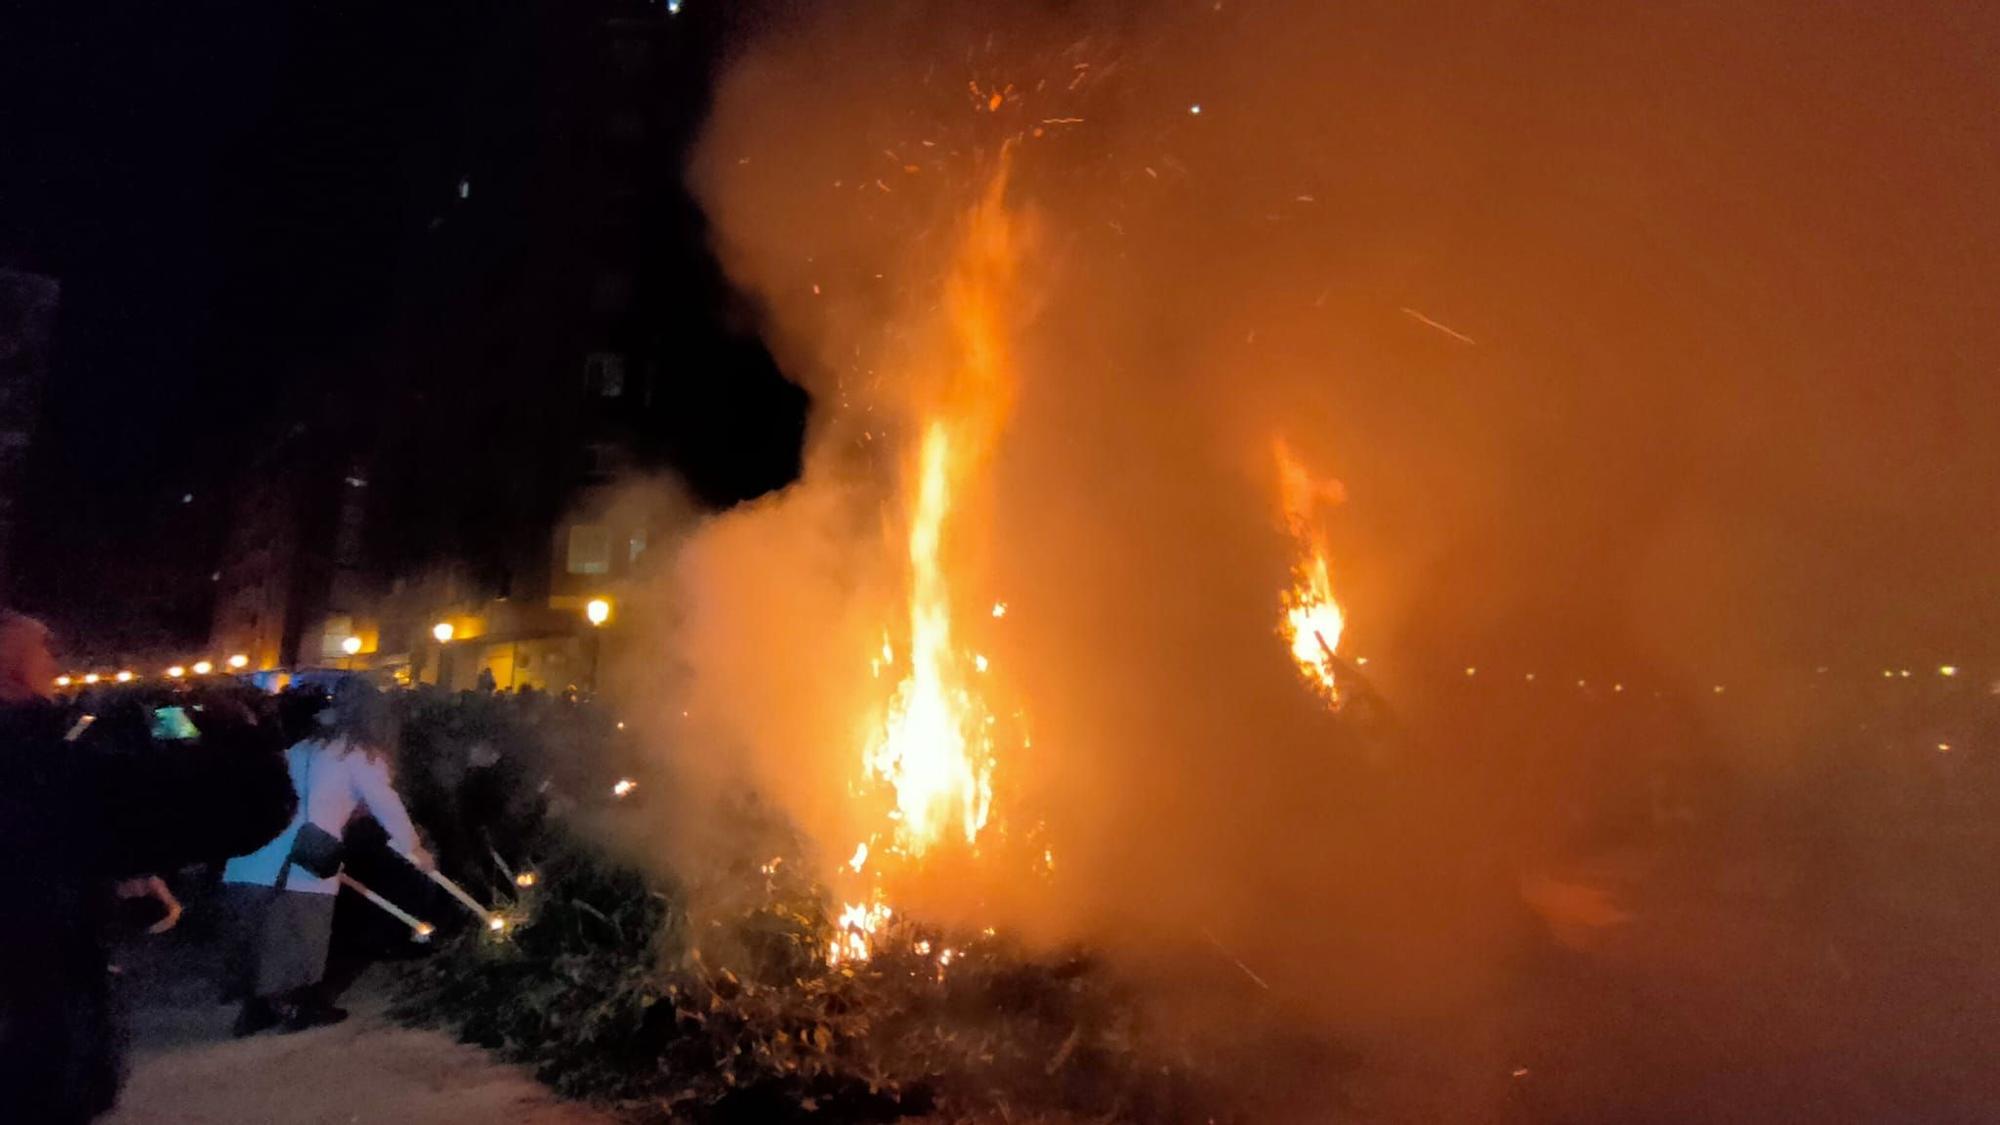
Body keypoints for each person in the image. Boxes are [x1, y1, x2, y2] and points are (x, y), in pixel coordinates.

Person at [0, 610, 293, 1123]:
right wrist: (246, 732)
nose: (54, 660)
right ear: (10, 666)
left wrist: (113, 869)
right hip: (33, 1030)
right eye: (43, 649)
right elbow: (244, 815)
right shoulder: (42, 751)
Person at [220, 679, 433, 1034]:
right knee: (302, 937)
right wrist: (414, 848)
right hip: (304, 860)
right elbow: (385, 804)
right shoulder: (361, 754)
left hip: (255, 854)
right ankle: (299, 1008)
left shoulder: (301, 747)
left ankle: (255, 1010)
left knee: (257, 932)